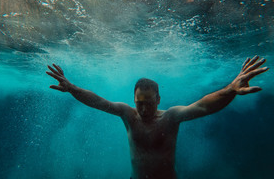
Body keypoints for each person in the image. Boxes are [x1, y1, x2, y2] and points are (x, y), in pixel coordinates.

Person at [46, 55, 268, 179]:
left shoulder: (171, 117)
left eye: (148, 104)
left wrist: (230, 89)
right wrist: (72, 87)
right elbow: (99, 101)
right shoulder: (128, 114)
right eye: (139, 103)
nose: (143, 110)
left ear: (159, 100)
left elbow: (203, 106)